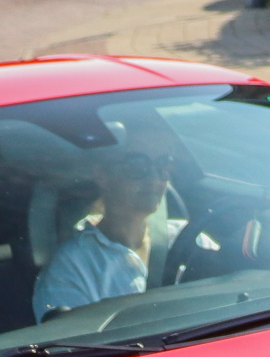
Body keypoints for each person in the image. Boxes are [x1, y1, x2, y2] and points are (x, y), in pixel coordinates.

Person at [34, 123, 182, 320]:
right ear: (103, 175)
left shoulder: (186, 238)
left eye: (164, 165)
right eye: (138, 165)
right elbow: (73, 347)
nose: (154, 179)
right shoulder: (73, 267)